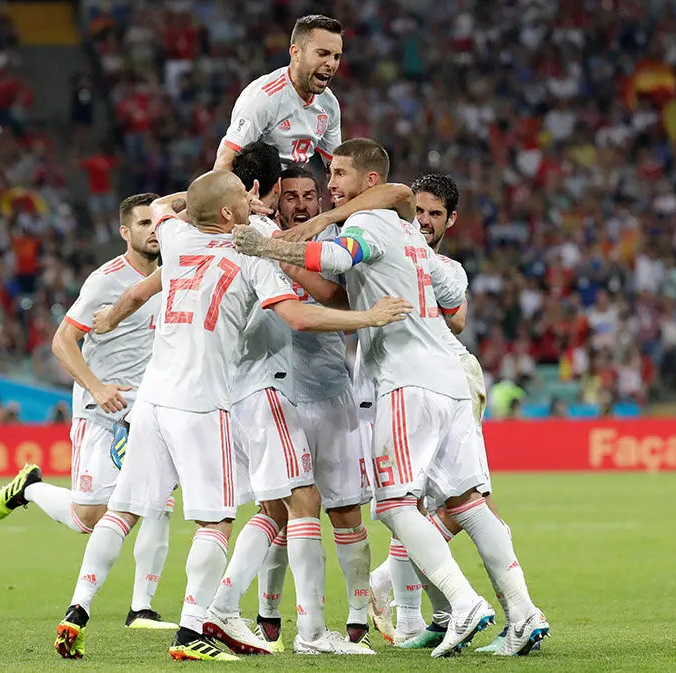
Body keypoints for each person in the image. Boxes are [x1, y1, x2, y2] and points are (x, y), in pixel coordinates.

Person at [52, 169, 410, 661]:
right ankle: (191, 633)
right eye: (243, 196)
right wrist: (369, 317)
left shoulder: (175, 239)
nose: (253, 200)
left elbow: (162, 208)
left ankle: (78, 610)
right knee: (216, 522)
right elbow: (300, 317)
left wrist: (110, 317)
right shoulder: (250, 253)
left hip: (152, 398)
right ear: (227, 214)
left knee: (123, 510)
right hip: (203, 403)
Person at [234, 139, 549, 658]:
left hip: (407, 383)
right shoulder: (415, 239)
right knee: (469, 503)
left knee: (396, 503)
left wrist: (266, 246)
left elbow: (335, 255)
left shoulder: (371, 226)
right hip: (452, 378)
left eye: (339, 174)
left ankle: (461, 603)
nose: (331, 184)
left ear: (369, 182)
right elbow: (452, 299)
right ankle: (523, 614)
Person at [202, 144, 373, 655]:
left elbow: (336, 295)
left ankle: (353, 618)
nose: (300, 203)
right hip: (276, 392)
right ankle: (278, 619)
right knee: (289, 505)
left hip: (328, 390)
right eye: (290, 194)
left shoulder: (333, 243)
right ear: (275, 198)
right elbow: (308, 310)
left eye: (310, 195)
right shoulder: (256, 243)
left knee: (331, 509)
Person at [0, 193, 176, 630]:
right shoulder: (105, 280)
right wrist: (97, 387)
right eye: (144, 223)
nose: (154, 230)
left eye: (158, 222)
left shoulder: (175, 271)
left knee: (159, 502)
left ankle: (142, 609)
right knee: (88, 518)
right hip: (101, 408)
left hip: (149, 406)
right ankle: (30, 489)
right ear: (125, 232)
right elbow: (62, 342)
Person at [214, 15, 343, 170]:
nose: (331, 64)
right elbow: (224, 164)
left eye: (336, 57)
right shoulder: (264, 99)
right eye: (322, 53)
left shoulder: (329, 104)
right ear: (296, 53)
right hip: (255, 190)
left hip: (295, 188)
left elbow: (336, 168)